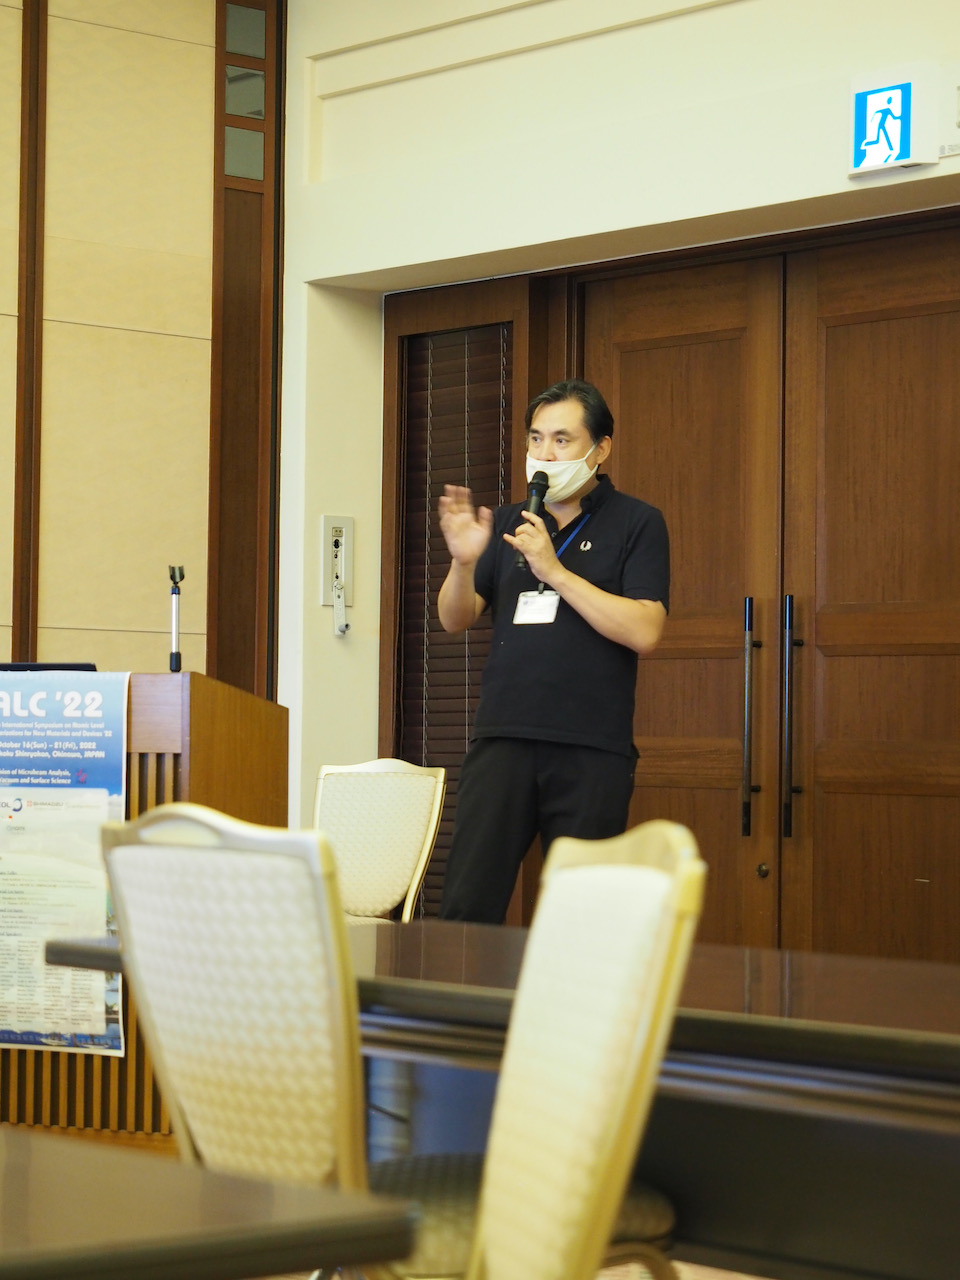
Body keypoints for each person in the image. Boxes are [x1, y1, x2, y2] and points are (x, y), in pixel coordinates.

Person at [437, 378, 669, 922]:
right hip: (503, 739)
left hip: (590, 746)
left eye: (562, 440)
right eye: (536, 439)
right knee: (466, 908)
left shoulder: (637, 522)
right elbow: (454, 618)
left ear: (600, 448)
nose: (545, 454)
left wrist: (554, 571)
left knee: (581, 919)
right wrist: (464, 562)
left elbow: (645, 631)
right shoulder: (509, 522)